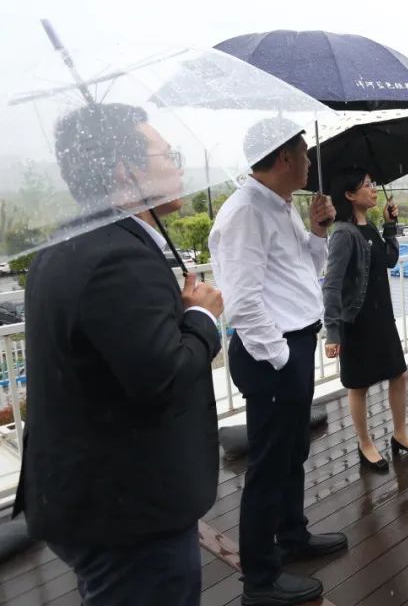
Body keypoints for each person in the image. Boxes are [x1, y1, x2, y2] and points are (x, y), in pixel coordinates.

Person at [14, 103, 224, 605]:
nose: (177, 166)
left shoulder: (68, 244)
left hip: (86, 496)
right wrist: (203, 317)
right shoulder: (117, 257)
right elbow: (164, 379)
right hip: (128, 514)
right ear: (125, 172)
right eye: (167, 155)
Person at [209, 119, 346, 606]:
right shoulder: (246, 212)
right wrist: (283, 357)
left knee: (292, 452)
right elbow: (242, 303)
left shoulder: (280, 205)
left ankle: (292, 535)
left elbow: (304, 272)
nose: (309, 161)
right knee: (269, 464)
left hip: (292, 344)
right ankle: (260, 579)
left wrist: (318, 232)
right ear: (284, 157)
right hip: (272, 353)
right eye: (304, 153)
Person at [322, 168, 408, 473]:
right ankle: (365, 443)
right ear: (349, 194)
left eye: (372, 184)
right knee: (359, 386)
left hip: (382, 317)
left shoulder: (368, 227)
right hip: (357, 322)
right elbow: (331, 285)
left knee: (399, 375)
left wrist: (390, 225)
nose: (373, 189)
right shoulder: (343, 233)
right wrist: (332, 332)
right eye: (367, 185)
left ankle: (400, 434)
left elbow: (390, 260)